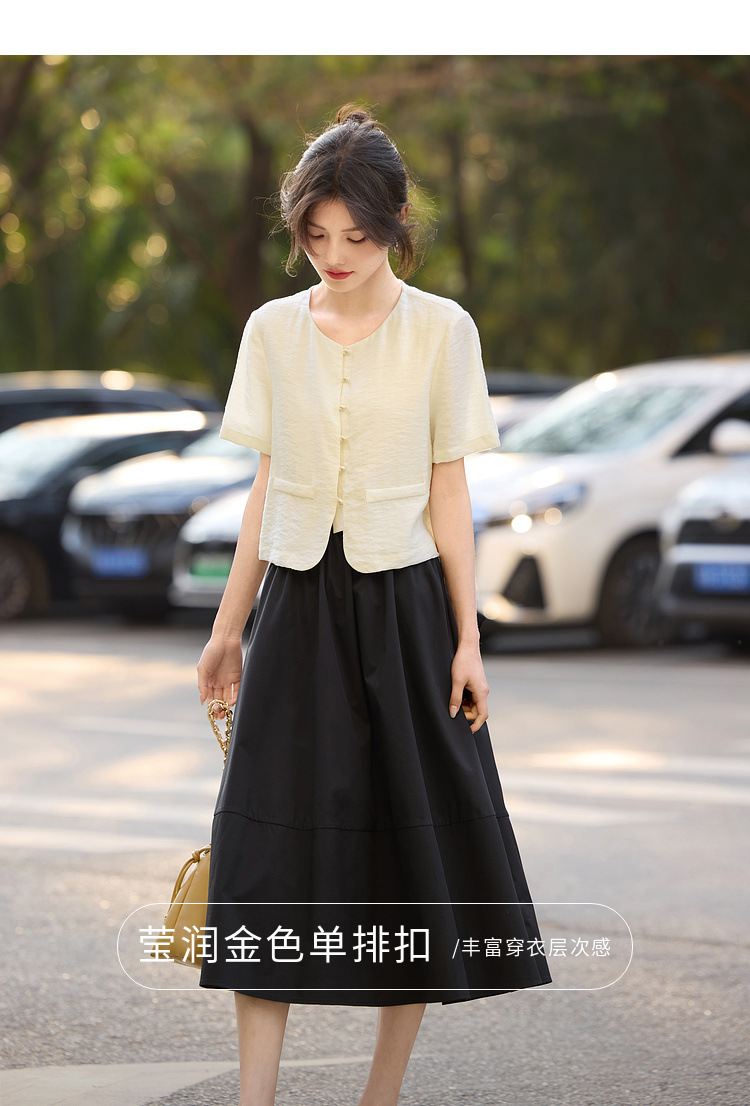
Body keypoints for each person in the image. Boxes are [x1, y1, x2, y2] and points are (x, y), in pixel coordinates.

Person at [196, 103, 552, 1106]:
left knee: (412, 852)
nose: (333, 256)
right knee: (263, 857)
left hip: (407, 611)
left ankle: (379, 1096)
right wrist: (227, 630)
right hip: (295, 609)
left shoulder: (443, 330)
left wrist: (469, 638)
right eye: (315, 235)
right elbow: (266, 488)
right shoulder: (272, 331)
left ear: (396, 222)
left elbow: (450, 492)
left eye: (354, 235)